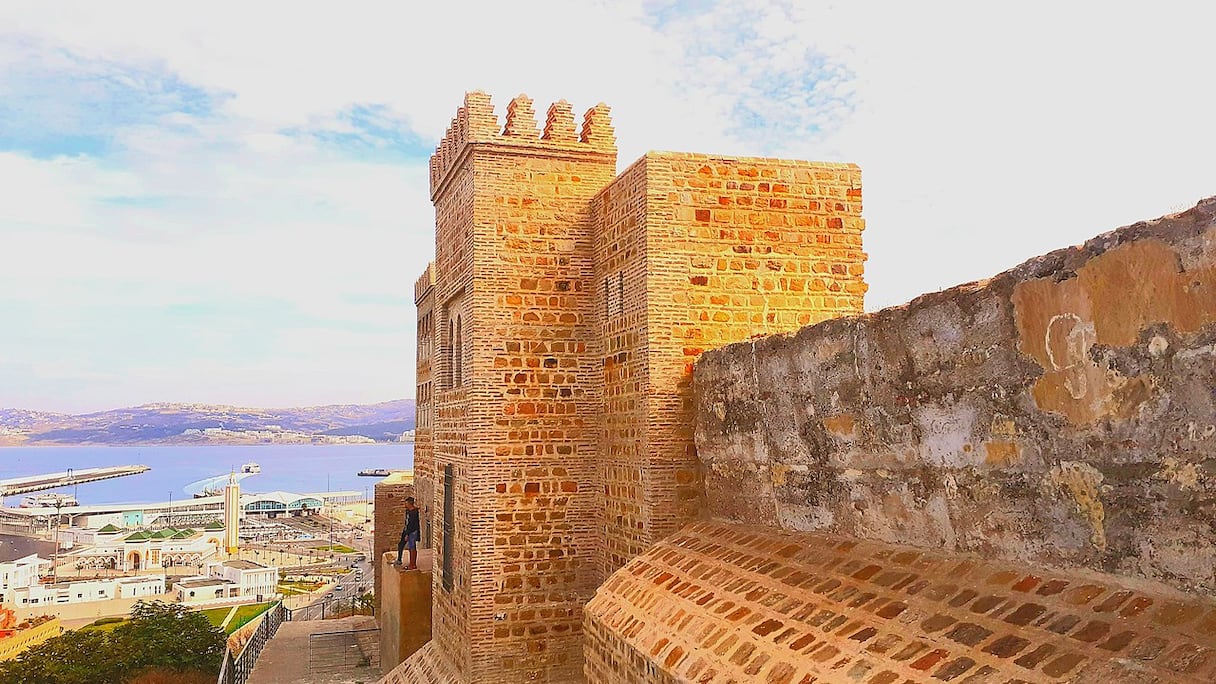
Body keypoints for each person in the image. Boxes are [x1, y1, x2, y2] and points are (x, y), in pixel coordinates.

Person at [396, 497, 421, 570]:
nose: (405, 504)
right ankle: (400, 560)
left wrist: (407, 534)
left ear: (409, 503)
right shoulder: (408, 511)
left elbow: (412, 524)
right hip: (407, 531)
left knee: (412, 547)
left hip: (412, 532)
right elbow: (407, 522)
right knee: (403, 545)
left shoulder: (414, 513)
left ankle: (412, 564)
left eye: (406, 503)